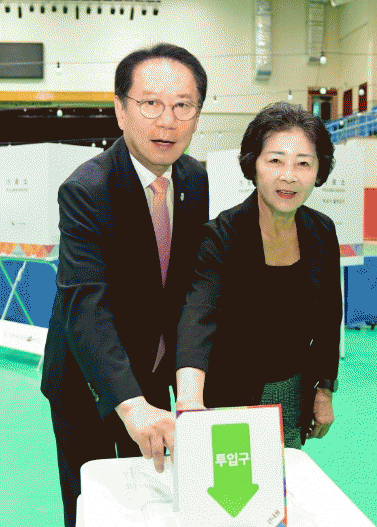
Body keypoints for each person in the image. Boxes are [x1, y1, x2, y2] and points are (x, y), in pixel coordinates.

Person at [40, 43, 209, 527]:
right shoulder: (86, 189)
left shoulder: (194, 178)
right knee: (91, 504)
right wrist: (131, 405)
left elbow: (188, 288)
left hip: (154, 374)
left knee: (150, 502)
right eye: (150, 103)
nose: (167, 121)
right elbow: (85, 304)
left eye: (183, 105)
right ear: (120, 109)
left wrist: (187, 384)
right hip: (88, 379)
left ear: (197, 114)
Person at [174, 102, 342, 449]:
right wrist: (190, 400)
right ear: (253, 164)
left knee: (284, 478)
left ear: (318, 170)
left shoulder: (322, 231)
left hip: (292, 395)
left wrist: (324, 389)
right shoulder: (221, 236)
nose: (289, 176)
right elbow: (198, 320)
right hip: (230, 396)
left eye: (303, 163)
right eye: (275, 160)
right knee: (235, 483)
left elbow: (329, 318)